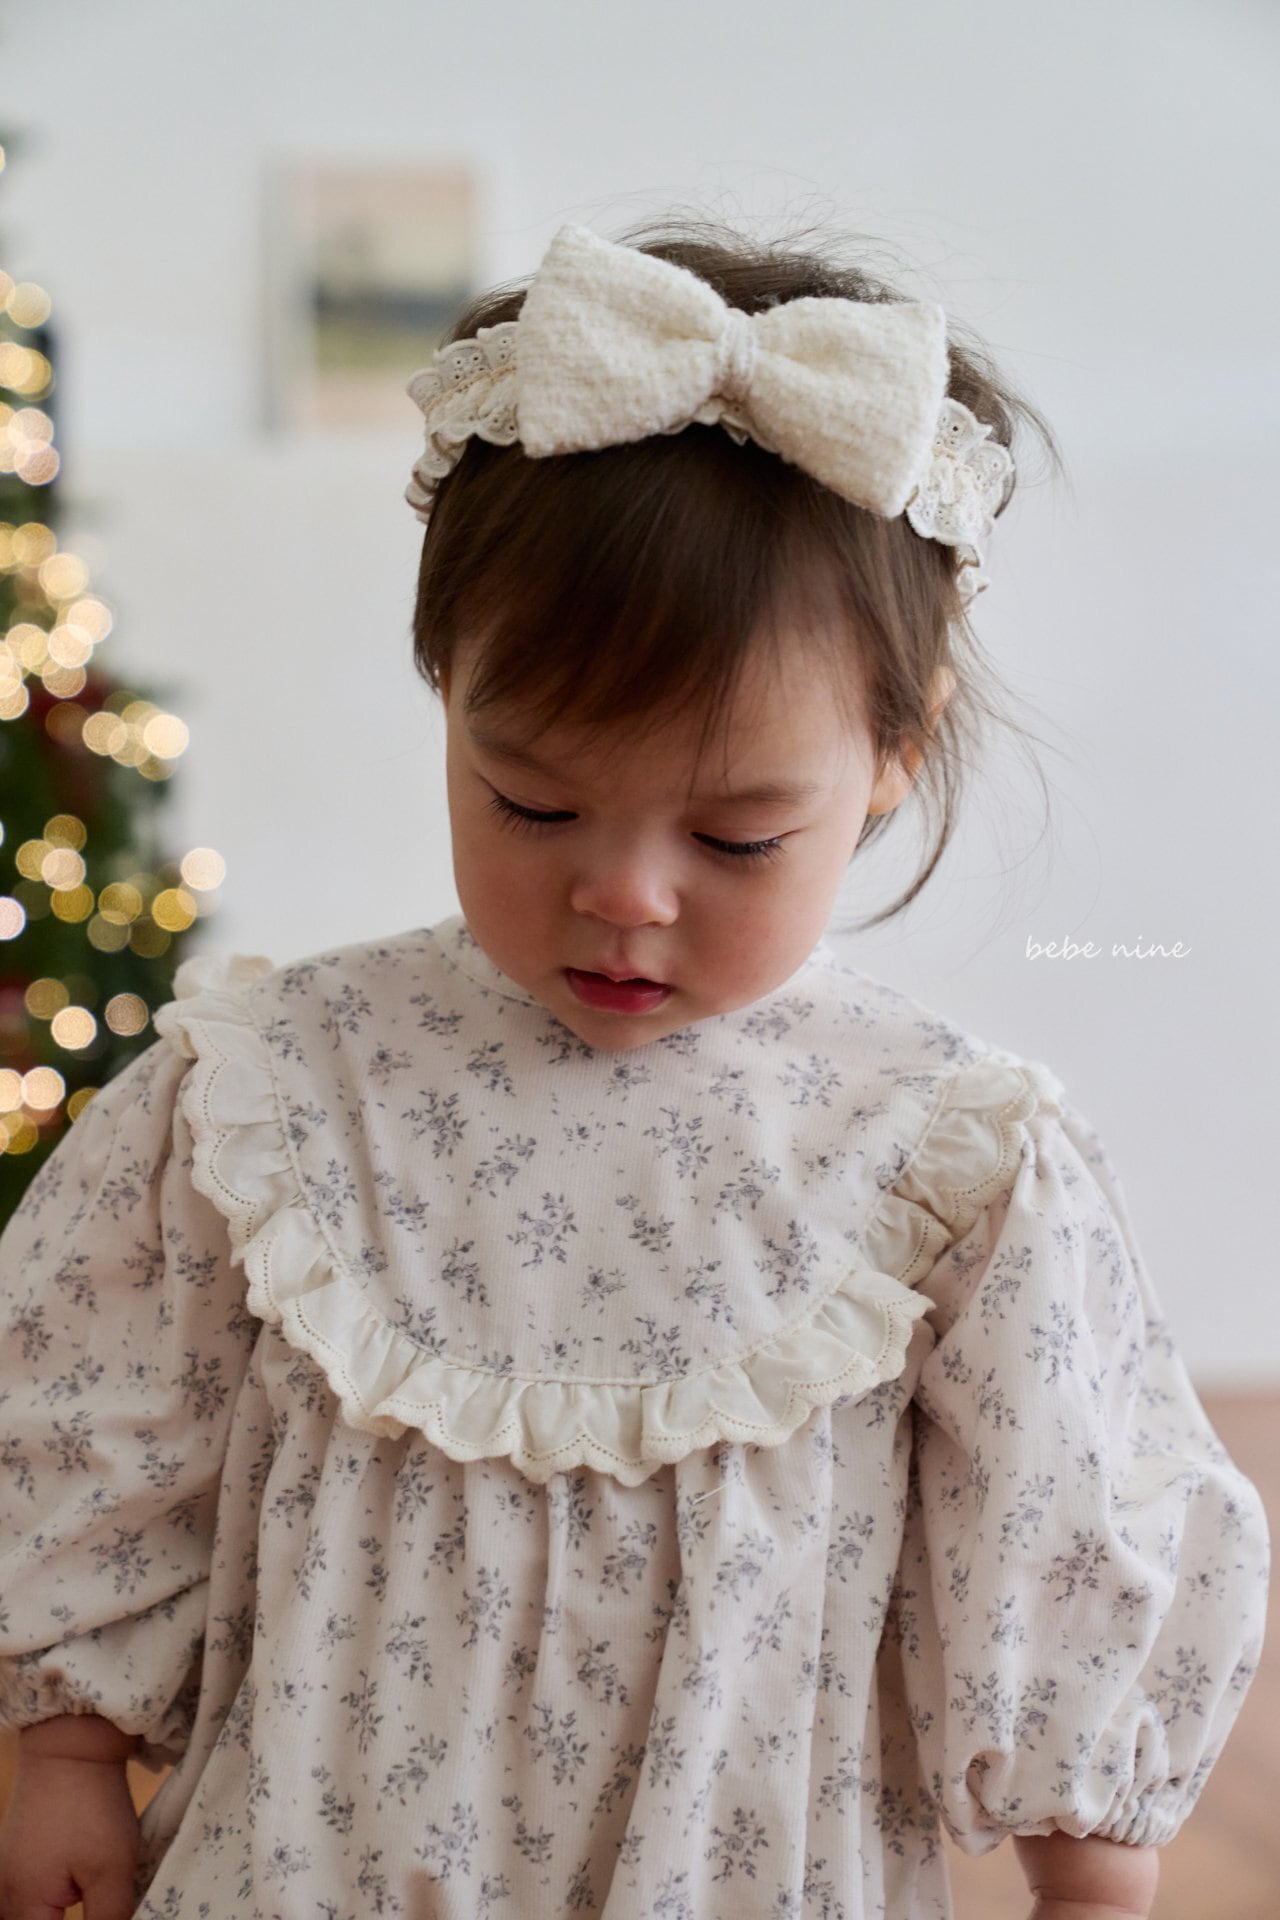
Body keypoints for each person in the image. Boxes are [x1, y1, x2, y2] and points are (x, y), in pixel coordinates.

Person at [0, 216, 1268, 1920]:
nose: (624, 894)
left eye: (736, 837)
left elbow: (1068, 1501)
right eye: (532, 802)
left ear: (893, 753)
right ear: (447, 689)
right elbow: (98, 1402)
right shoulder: (276, 1091)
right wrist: (63, 1753)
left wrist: (1094, 1865)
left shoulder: (944, 1154)